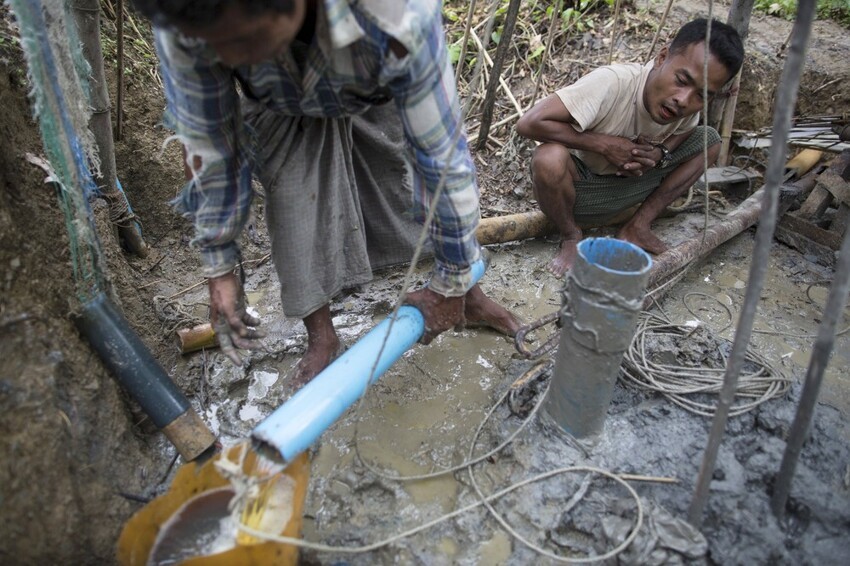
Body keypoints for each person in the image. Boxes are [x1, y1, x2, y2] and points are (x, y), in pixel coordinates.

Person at [131, 0, 521, 386]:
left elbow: (441, 161)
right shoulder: (181, 17)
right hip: (277, 101)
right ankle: (322, 337)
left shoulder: (398, 14)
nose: (233, 56)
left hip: (368, 82)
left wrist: (451, 281)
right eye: (218, 46)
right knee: (294, 207)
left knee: (402, 185)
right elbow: (209, 145)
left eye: (247, 39)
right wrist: (219, 270)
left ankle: (468, 294)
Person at [516, 18, 744, 276]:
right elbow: (529, 123)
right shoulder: (612, 83)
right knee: (548, 158)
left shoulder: (687, 107)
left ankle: (638, 226)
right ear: (661, 57)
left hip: (633, 189)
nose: (683, 100)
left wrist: (660, 153)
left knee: (709, 140)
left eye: (702, 94)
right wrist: (604, 145)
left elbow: (687, 131)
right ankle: (570, 235)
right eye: (681, 80)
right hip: (583, 194)